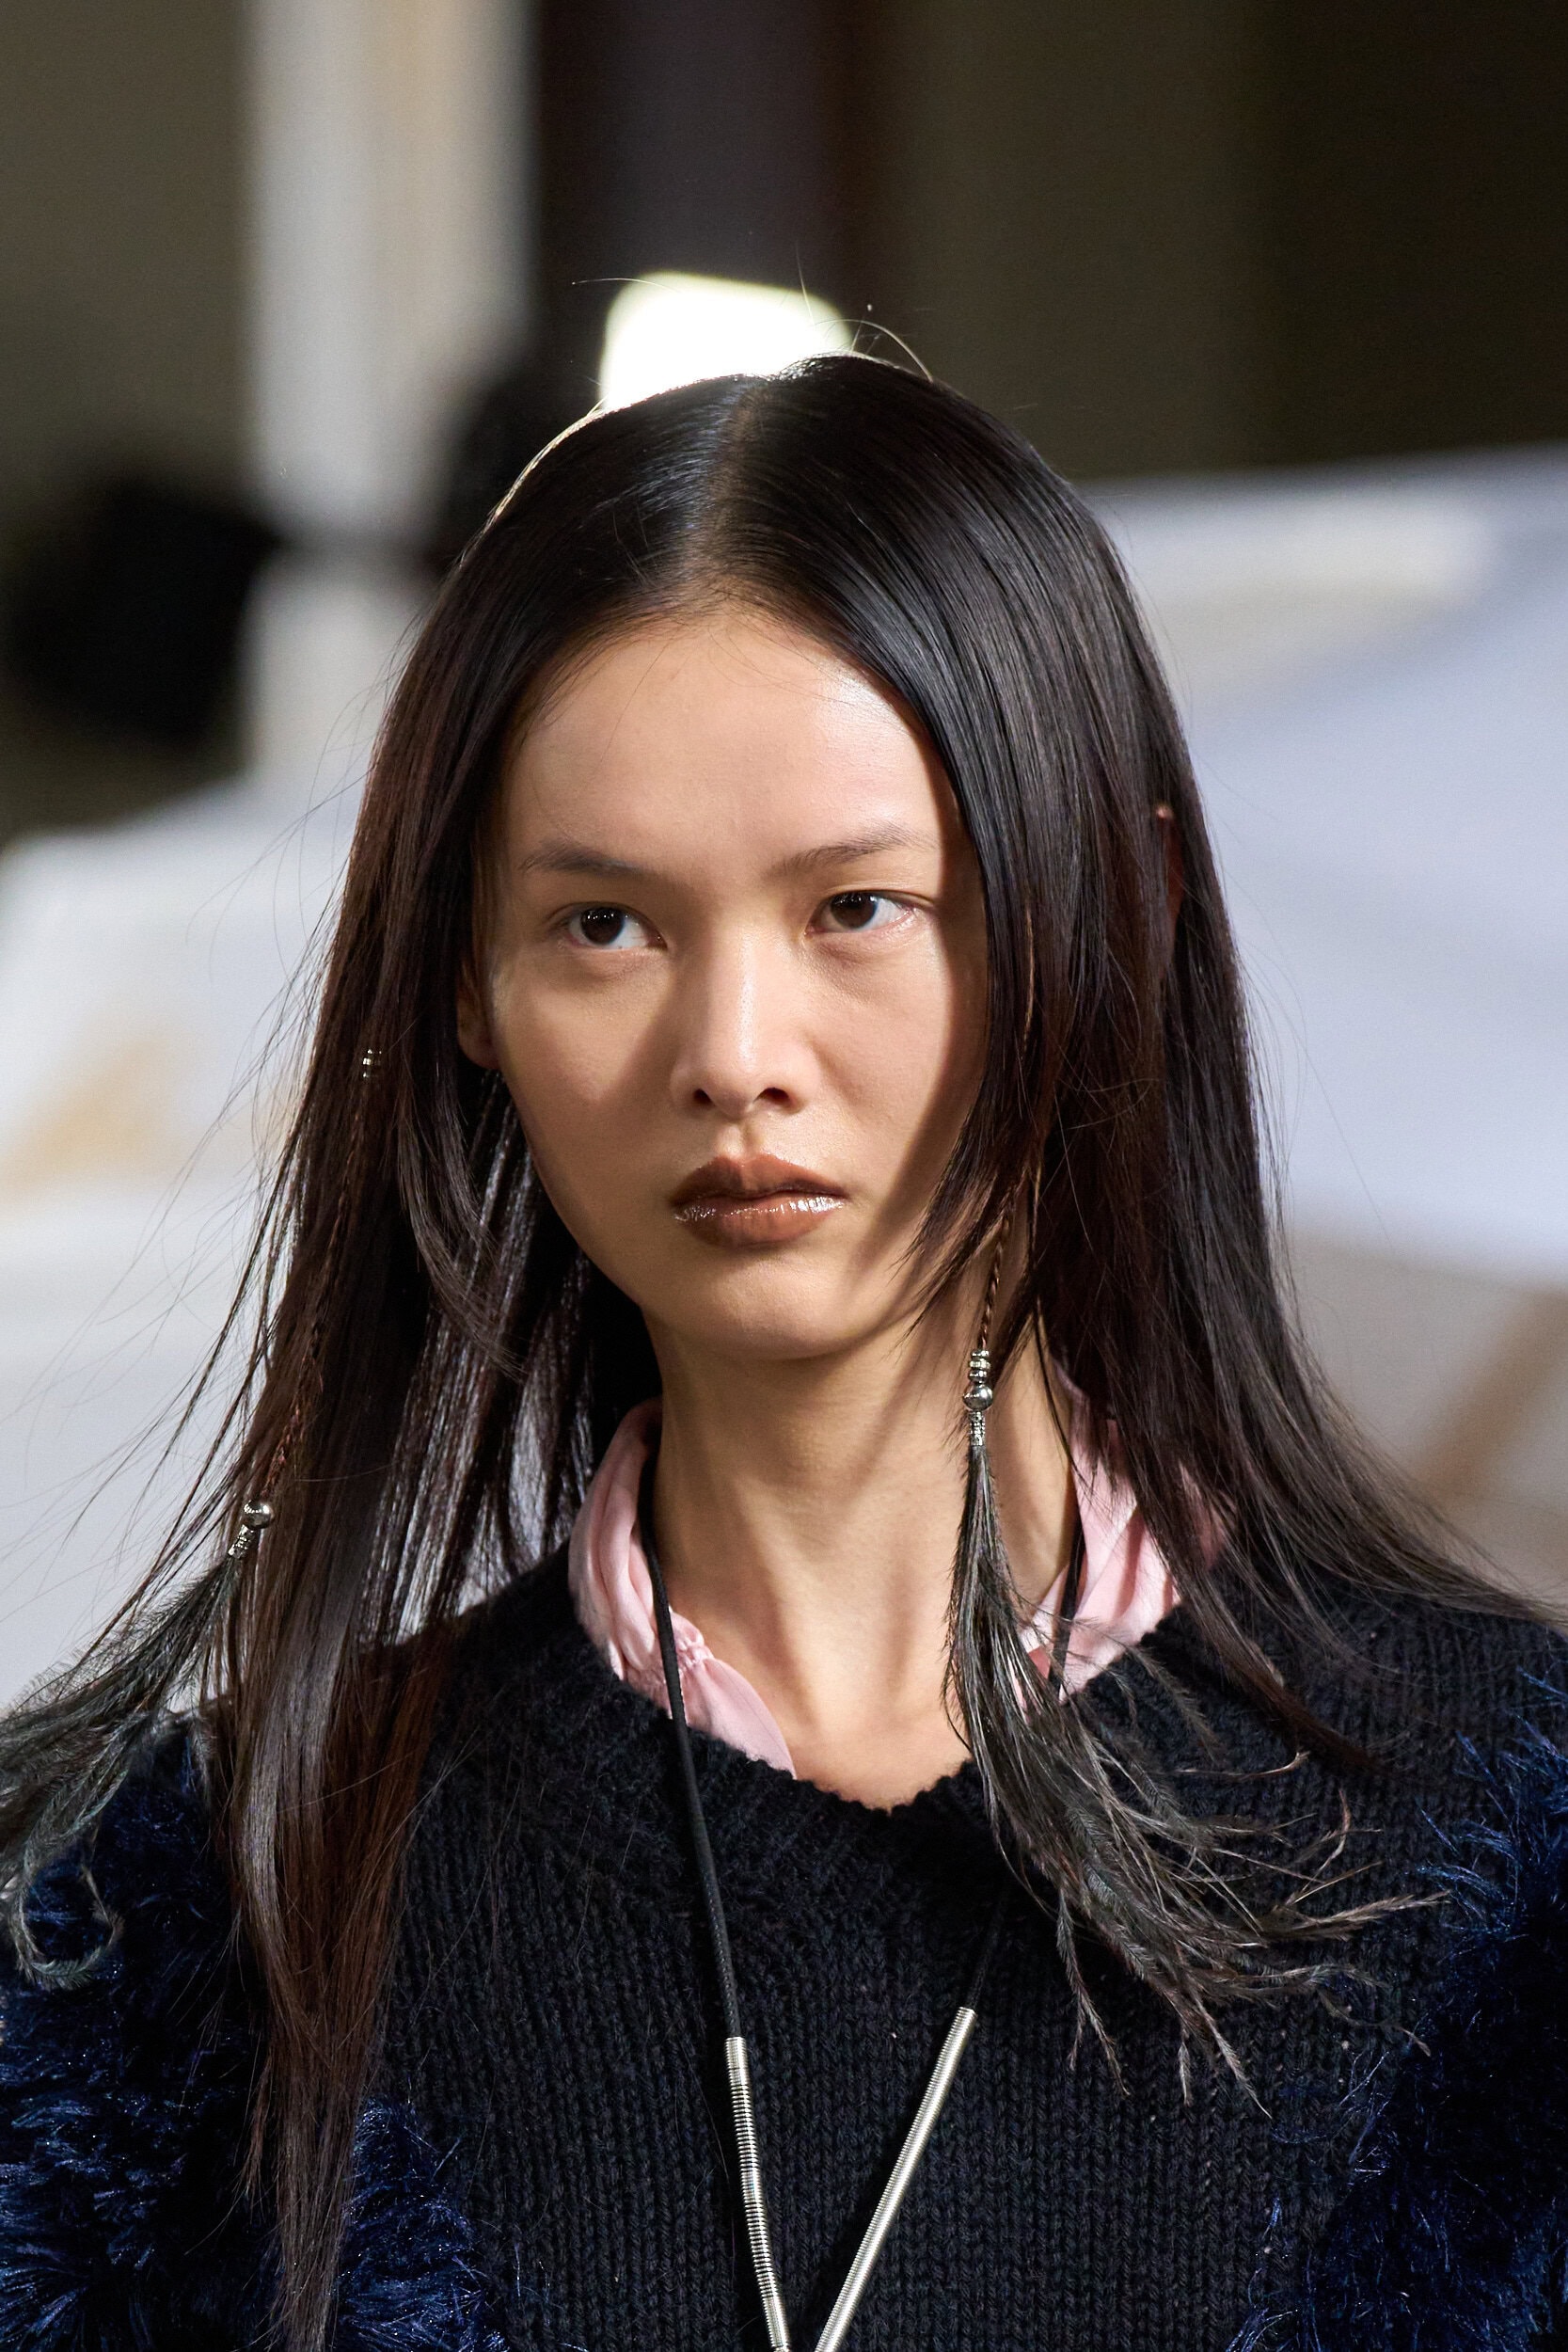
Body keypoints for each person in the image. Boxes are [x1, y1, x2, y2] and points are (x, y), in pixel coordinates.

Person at [3, 358, 1566, 2352]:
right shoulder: (180, 1930)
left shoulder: (1510, 1860)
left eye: (858, 907)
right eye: (604, 926)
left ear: (1126, 906)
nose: (734, 1053)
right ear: (467, 981)